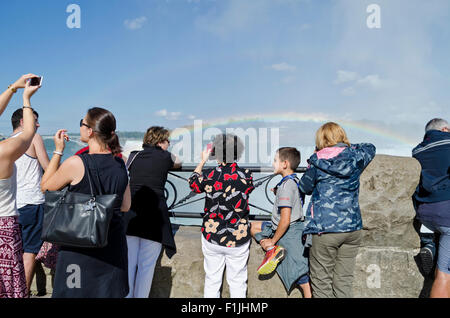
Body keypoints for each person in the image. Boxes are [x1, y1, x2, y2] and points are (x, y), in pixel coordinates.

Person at [40, 107, 131, 298]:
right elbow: (125, 206)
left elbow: (46, 187)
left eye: (81, 123)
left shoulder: (76, 163)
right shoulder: (120, 162)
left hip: (80, 249)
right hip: (113, 246)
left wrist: (57, 151)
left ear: (89, 131)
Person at [299, 122, 376, 298]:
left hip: (325, 229)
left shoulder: (317, 161)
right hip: (353, 228)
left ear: (321, 139)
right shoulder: (356, 157)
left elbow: (304, 187)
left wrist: (318, 154)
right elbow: (370, 147)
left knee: (321, 283)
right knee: (344, 282)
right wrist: (346, 147)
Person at [188, 134, 254, 298]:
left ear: (216, 153)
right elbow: (248, 189)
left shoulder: (209, 175)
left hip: (213, 236)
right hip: (238, 236)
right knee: (238, 282)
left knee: (212, 280)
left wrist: (203, 160)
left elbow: (193, 183)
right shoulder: (246, 175)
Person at [125, 126, 181, 298]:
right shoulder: (166, 157)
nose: (169, 144)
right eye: (167, 141)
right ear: (160, 141)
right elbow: (179, 162)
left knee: (129, 264)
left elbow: (126, 166)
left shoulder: (133, 156)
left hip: (131, 214)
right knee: (146, 266)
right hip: (154, 215)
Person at [250, 147, 311, 298]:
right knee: (250, 225)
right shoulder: (293, 181)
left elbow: (285, 219)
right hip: (281, 226)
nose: (273, 163)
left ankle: (272, 247)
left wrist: (273, 239)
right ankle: (271, 248)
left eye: (275, 160)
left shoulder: (286, 186)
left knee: (303, 279)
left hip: (289, 231)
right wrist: (278, 192)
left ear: (284, 164)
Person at [0, 74, 41, 298]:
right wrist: (25, 96)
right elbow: (28, 133)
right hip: (4, 225)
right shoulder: (3, 153)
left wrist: (12, 87)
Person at [10, 108, 50, 295]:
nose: (38, 124)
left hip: (10, 206)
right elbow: (48, 169)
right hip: (32, 204)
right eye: (35, 120)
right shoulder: (34, 138)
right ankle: (22, 293)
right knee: (29, 252)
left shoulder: (6, 143)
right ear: (22, 121)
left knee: (13, 252)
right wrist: (59, 151)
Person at [412, 118, 450, 298]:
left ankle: (429, 246)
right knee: (444, 274)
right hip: (447, 214)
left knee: (438, 237)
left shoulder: (417, 150)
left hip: (425, 213)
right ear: (444, 129)